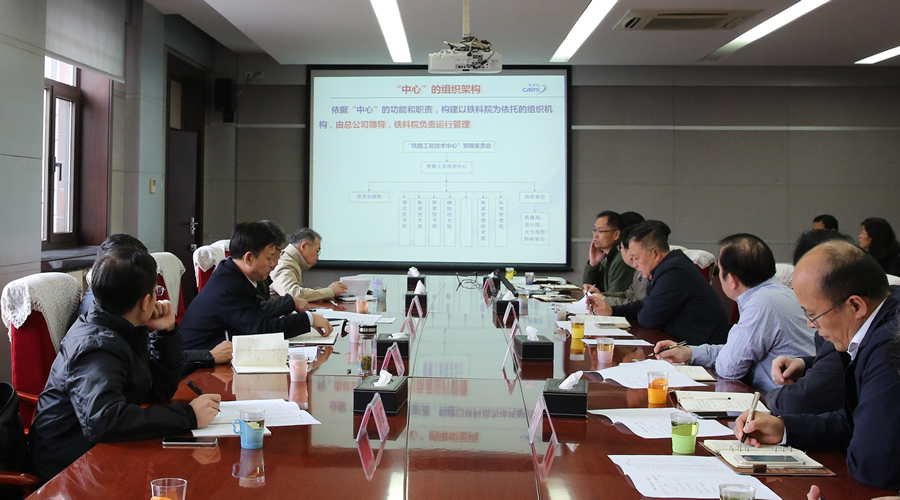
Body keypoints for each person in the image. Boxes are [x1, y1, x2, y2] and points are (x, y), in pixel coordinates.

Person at [29, 246, 221, 481]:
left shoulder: (122, 326)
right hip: (68, 466)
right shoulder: (95, 346)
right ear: (145, 301)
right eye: (156, 291)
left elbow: (159, 390)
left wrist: (166, 333)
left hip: (99, 449)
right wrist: (188, 416)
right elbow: (103, 420)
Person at [735, 241, 900, 491]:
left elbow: (872, 463)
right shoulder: (880, 323)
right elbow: (854, 422)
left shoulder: (890, 346)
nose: (811, 325)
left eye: (813, 315)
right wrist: (783, 429)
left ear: (856, 306)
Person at [653, 234, 814, 392]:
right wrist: (690, 353)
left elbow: (728, 368)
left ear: (731, 279)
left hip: (778, 403)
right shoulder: (779, 294)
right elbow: (736, 351)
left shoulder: (762, 303)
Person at [78, 233, 232, 375]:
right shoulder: (98, 338)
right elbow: (145, 365)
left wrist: (166, 333)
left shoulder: (116, 305)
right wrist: (209, 355)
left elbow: (150, 370)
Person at [180, 222, 333, 351]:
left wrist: (291, 308)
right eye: (269, 258)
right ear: (249, 258)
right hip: (199, 364)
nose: (273, 264)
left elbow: (257, 311)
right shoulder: (228, 286)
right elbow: (261, 330)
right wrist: (308, 319)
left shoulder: (235, 274)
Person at [588, 221, 730, 345]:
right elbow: (644, 304)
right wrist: (612, 310)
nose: (635, 264)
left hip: (701, 350)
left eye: (636, 258)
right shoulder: (666, 266)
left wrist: (643, 309)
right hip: (680, 343)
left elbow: (649, 319)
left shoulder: (674, 271)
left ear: (655, 254)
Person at [767, 229, 854, 415]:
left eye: (812, 314)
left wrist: (769, 397)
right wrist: (805, 364)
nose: (810, 324)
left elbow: (797, 402)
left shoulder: (845, 327)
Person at [271, 228, 347, 302]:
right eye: (317, 251)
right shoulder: (284, 263)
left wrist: (318, 293)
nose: (317, 258)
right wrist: (330, 291)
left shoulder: (290, 260)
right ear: (304, 246)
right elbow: (293, 295)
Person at [589, 224, 647, 306]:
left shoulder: (622, 261)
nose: (595, 235)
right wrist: (600, 295)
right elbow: (628, 294)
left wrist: (604, 299)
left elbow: (640, 304)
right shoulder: (638, 268)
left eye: (600, 231)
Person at [582, 211, 634, 294]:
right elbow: (588, 290)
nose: (595, 235)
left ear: (616, 234)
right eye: (595, 230)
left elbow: (615, 295)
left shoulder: (621, 258)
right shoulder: (605, 258)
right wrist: (593, 265)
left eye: (600, 231)